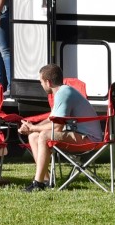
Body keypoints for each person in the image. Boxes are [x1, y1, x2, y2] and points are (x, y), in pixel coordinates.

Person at [18, 64, 100, 192]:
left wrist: (33, 127)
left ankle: (37, 183)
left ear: (48, 82)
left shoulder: (63, 93)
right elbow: (52, 119)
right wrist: (32, 128)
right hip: (80, 135)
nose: (41, 85)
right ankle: (45, 180)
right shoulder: (62, 92)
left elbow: (57, 127)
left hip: (89, 140)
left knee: (44, 135)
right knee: (33, 136)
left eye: (41, 82)